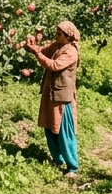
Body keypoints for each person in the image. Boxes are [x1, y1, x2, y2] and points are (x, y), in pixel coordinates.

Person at [21, 20, 81, 176]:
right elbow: (41, 50)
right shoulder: (56, 45)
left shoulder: (71, 51)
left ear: (68, 36)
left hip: (62, 97)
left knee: (64, 130)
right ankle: (58, 159)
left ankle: (72, 166)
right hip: (50, 92)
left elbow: (54, 65)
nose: (56, 36)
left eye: (59, 34)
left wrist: (37, 53)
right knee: (50, 127)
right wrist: (32, 47)